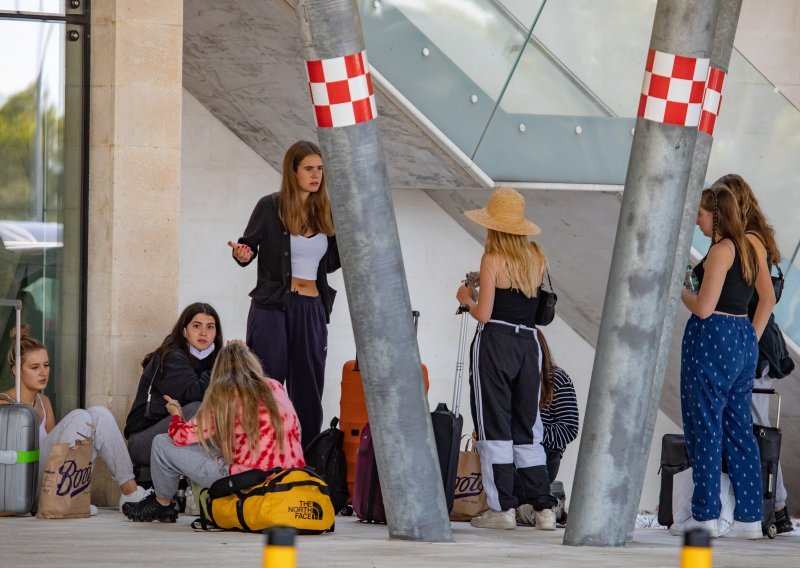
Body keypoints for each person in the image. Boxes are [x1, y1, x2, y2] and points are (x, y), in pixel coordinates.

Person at [455, 187, 558, 531]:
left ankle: (502, 509)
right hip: (529, 344)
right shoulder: (537, 256)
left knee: (494, 426)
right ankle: (543, 508)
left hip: (495, 342)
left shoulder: (493, 259)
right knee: (528, 427)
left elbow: (484, 314)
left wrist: (466, 298)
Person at [227, 140, 340, 449]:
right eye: (308, 169)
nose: (316, 175)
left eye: (319, 169)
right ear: (293, 171)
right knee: (267, 383)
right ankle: (264, 454)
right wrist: (242, 254)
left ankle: (307, 458)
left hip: (311, 308)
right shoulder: (270, 206)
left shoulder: (327, 213)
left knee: (309, 387)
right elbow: (247, 248)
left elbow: (333, 262)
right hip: (273, 307)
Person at [122, 342, 305, 522]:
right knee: (217, 445)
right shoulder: (275, 386)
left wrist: (177, 414)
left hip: (249, 480)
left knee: (162, 443)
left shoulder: (224, 395)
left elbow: (181, 437)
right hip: (289, 475)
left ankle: (162, 503)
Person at [673, 185, 763, 540]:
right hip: (741, 335)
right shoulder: (749, 247)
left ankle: (706, 514)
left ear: (717, 214)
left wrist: (678, 288)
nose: (698, 221)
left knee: (705, 424)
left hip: (714, 337)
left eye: (701, 214)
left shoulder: (723, 250)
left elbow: (704, 306)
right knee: (739, 428)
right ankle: (749, 518)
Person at [1, 327, 148, 513]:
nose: (43, 373)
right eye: (34, 367)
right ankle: (70, 498)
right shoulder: (4, 403)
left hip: (47, 483)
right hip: (21, 488)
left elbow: (56, 454)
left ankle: (130, 492)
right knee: (81, 416)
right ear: (16, 371)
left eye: (46, 365)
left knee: (99, 413)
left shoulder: (44, 402)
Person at [722, 173, 794, 535]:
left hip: (755, 351)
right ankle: (774, 506)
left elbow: (763, 300)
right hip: (757, 348)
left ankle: (776, 506)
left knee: (756, 430)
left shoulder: (748, 241)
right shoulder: (755, 237)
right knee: (754, 428)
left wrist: (747, 342)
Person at [124, 302, 223, 467]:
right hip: (143, 443)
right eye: (197, 326)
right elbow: (195, 393)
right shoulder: (171, 357)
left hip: (175, 435)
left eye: (210, 327)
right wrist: (222, 364)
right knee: (198, 408)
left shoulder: (210, 359)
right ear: (184, 331)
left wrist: (237, 359)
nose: (204, 333)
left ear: (216, 333)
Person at [515, 330, 579, 527]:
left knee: (517, 504)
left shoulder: (556, 378)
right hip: (512, 457)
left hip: (543, 456)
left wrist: (531, 436)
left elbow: (569, 427)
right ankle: (546, 504)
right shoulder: (509, 379)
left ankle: (547, 506)